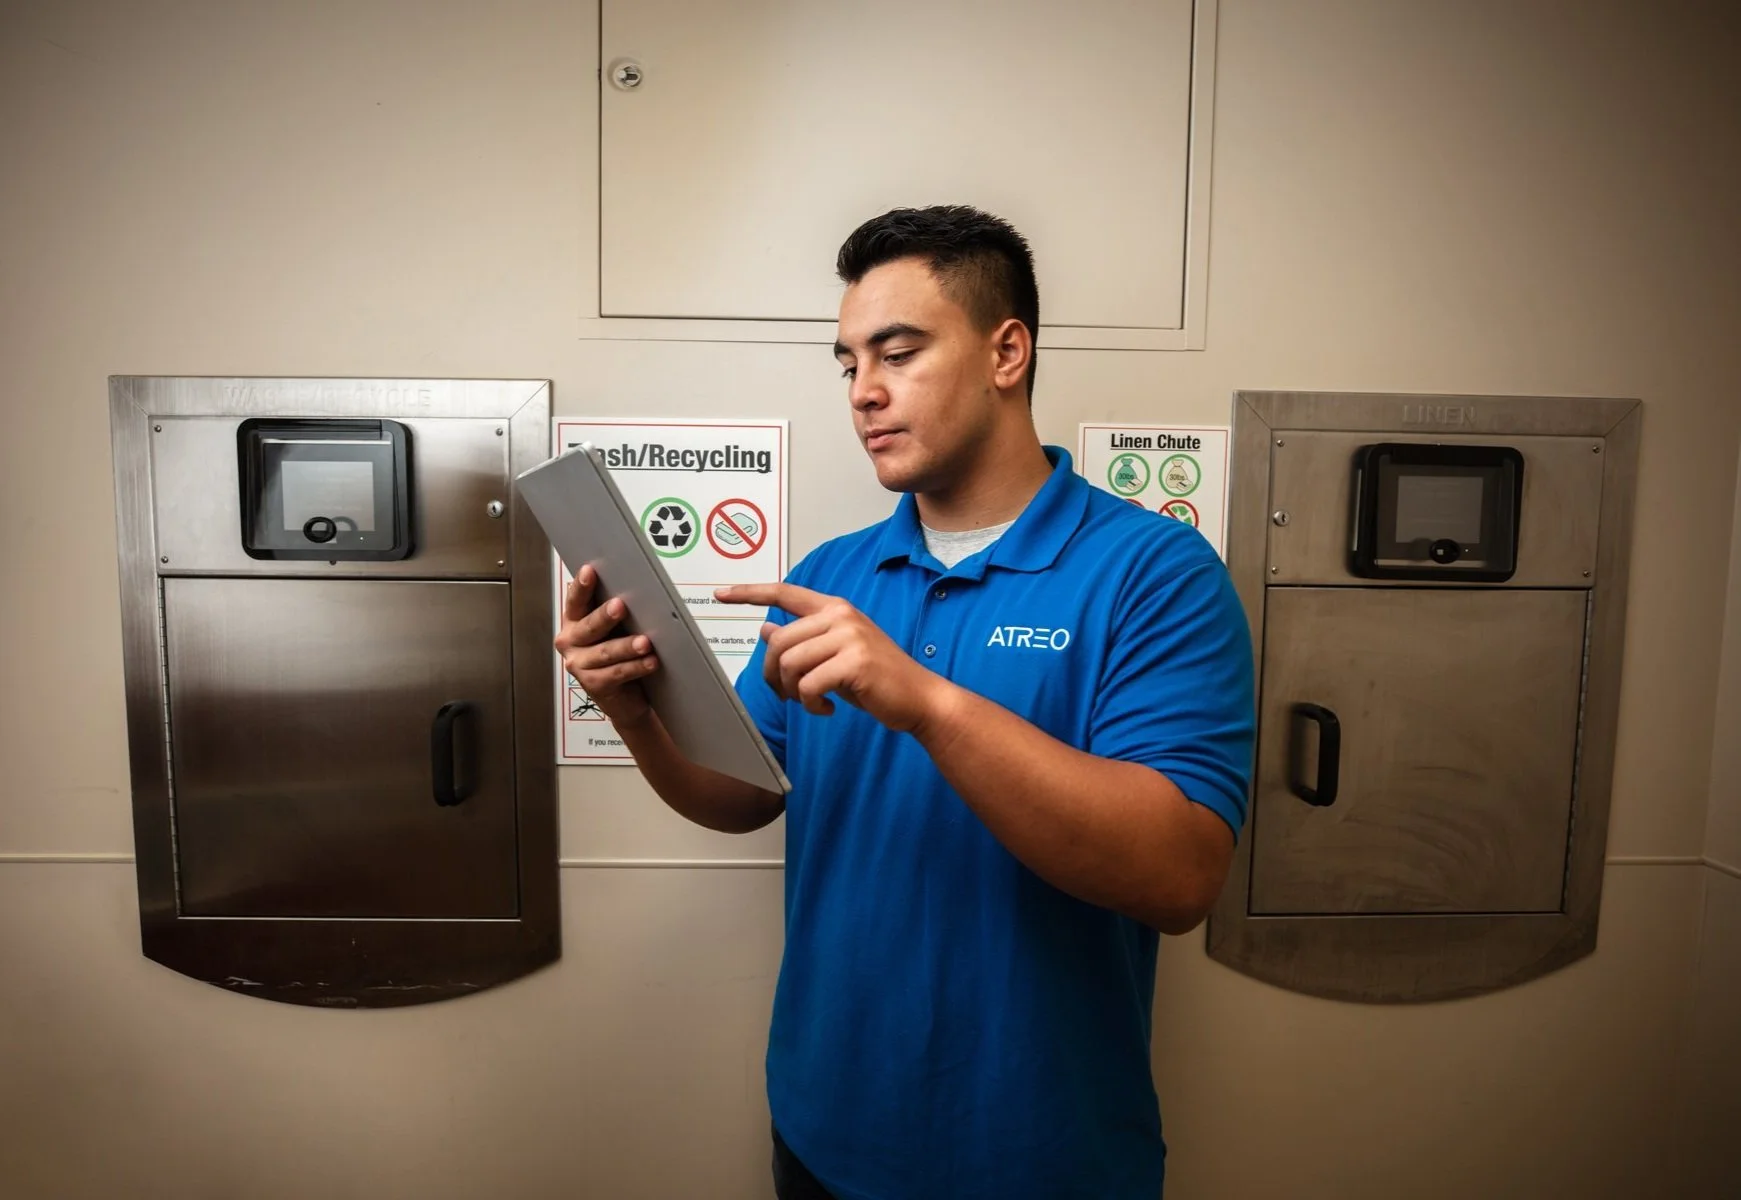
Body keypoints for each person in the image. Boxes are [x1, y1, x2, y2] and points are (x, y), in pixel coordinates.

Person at [556, 205, 1255, 1200]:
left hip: (1044, 1155)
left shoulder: (1154, 573)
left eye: (899, 352)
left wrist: (927, 702)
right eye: (849, 365)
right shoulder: (836, 575)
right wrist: (632, 709)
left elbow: (1180, 878)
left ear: (1005, 351)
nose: (866, 393)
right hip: (825, 1131)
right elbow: (744, 795)